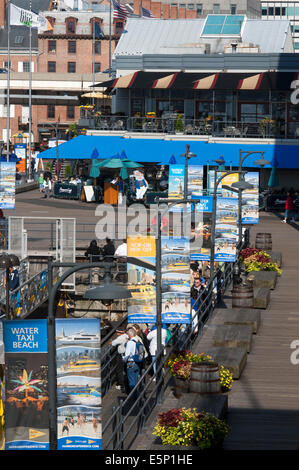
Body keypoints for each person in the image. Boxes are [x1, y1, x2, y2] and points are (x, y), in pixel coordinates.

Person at [122, 328, 141, 396]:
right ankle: (137, 395)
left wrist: (123, 359)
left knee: (131, 381)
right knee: (135, 380)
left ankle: (133, 397)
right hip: (137, 363)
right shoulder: (138, 341)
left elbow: (127, 355)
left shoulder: (130, 342)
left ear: (129, 335)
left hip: (131, 363)